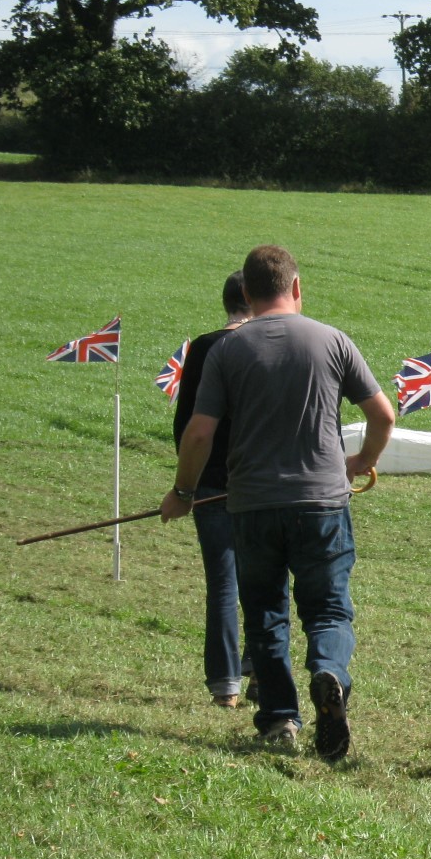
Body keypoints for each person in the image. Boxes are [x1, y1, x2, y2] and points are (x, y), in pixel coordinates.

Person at [161, 245, 396, 761]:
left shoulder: (227, 351)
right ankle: (329, 671)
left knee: (265, 613)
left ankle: (279, 720)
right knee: (329, 609)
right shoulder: (333, 341)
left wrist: (183, 492)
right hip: (323, 504)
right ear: (296, 287)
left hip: (252, 505)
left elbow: (199, 433)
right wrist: (360, 460)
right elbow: (384, 415)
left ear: (245, 294)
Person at [173, 271, 254, 709]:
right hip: (262, 482)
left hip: (211, 485)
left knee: (223, 584)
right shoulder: (270, 342)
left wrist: (184, 488)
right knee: (265, 582)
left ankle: (226, 686)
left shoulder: (205, 347)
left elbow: (189, 424)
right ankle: (262, 667)